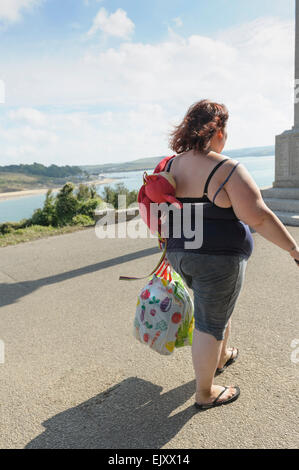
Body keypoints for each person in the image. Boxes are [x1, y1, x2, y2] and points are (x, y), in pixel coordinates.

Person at [163, 99, 299, 410]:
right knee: (209, 323)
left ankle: (221, 357)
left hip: (180, 253)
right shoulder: (226, 169)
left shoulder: (174, 164)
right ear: (218, 132)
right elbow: (259, 217)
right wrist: (293, 248)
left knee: (216, 309)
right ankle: (205, 392)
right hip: (217, 259)